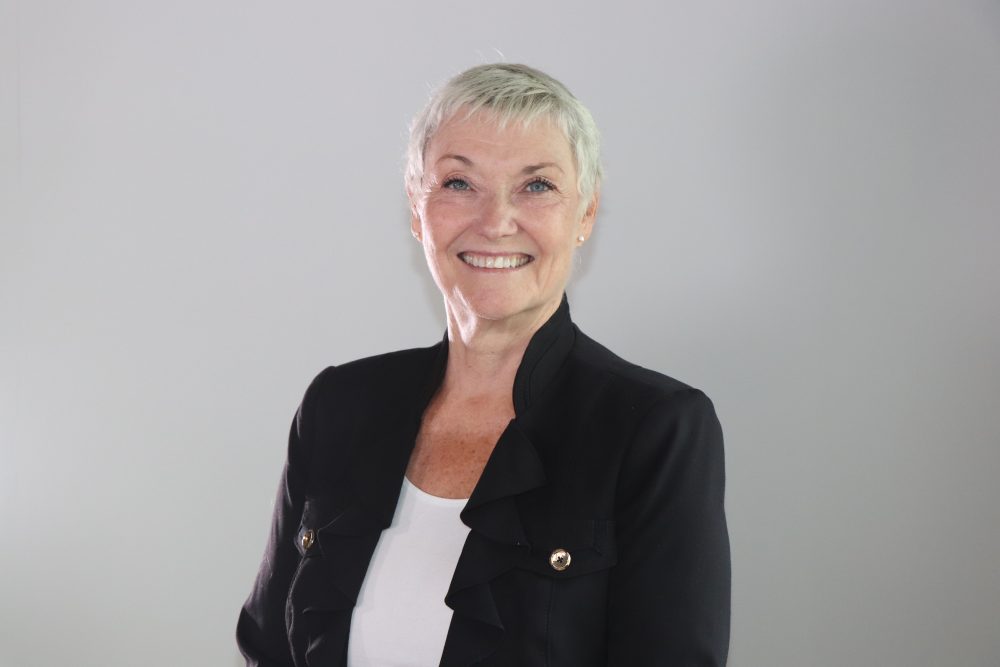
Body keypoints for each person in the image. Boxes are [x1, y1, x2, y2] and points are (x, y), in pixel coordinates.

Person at [236, 63, 730, 667]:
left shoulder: (653, 430)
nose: (495, 222)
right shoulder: (338, 406)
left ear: (586, 214)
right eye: (459, 183)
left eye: (537, 186)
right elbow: (267, 649)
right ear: (416, 209)